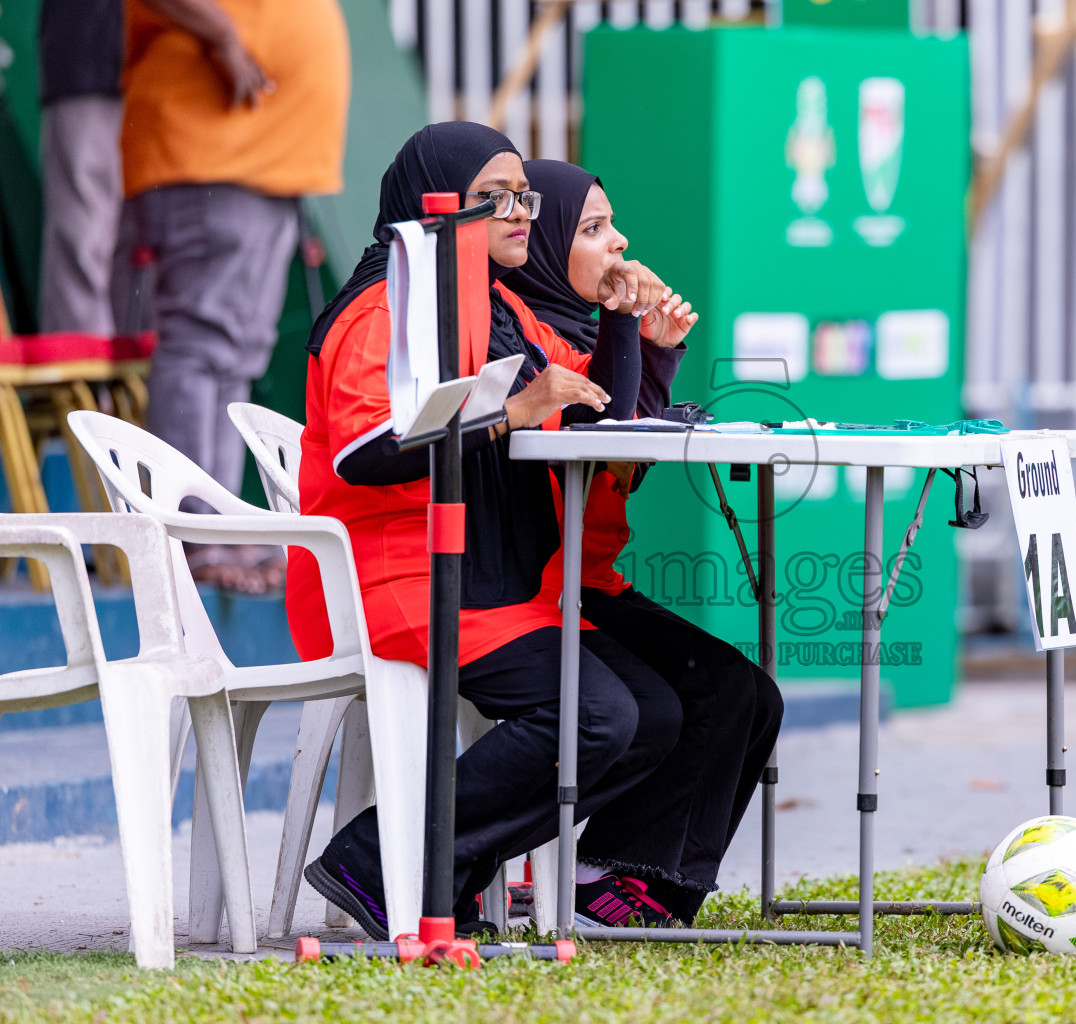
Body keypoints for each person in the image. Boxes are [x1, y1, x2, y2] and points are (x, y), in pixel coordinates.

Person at [295, 121, 703, 938]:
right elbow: (361, 452)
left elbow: (594, 414)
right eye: (495, 199)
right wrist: (511, 411)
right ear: (434, 206)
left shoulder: (485, 304)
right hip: (400, 579)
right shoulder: (386, 306)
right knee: (599, 717)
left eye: (523, 196)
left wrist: (624, 324)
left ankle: (434, 872)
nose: (519, 212)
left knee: (651, 714)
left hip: (483, 575)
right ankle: (381, 863)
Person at [504, 160, 783, 925]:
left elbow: (615, 458)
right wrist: (631, 340)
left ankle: (652, 887)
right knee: (701, 695)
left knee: (750, 694)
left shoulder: (576, 334)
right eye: (593, 229)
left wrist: (651, 353)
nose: (621, 242)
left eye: (612, 223)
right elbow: (593, 451)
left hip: (589, 581)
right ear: (547, 246)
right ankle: (604, 877)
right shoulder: (529, 344)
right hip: (540, 589)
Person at [119, 0, 349, 593]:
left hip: (258, 154)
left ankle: (219, 523)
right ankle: (191, 535)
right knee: (203, 345)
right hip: (215, 150)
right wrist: (222, 34)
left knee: (236, 353)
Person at [36, 0, 123, 337]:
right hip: (89, 60)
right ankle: (78, 385)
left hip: (163, 77)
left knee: (150, 257)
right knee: (82, 243)